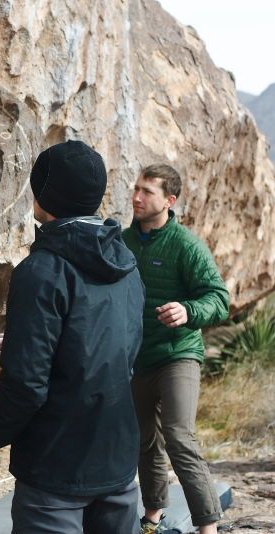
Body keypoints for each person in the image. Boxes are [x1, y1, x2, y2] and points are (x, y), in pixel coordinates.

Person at [0, 140, 145, 533]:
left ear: (42, 196)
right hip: (116, 453)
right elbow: (117, 351)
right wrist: (23, 344)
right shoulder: (127, 265)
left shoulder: (42, 270)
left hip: (57, 462)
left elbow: (27, 384)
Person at [123, 164, 229, 534]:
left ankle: (208, 527)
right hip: (137, 357)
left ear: (169, 200)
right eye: (136, 188)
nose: (137, 197)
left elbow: (218, 299)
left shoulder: (186, 245)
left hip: (178, 354)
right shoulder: (122, 242)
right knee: (145, 442)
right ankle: (152, 518)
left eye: (147, 192)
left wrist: (189, 310)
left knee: (179, 436)